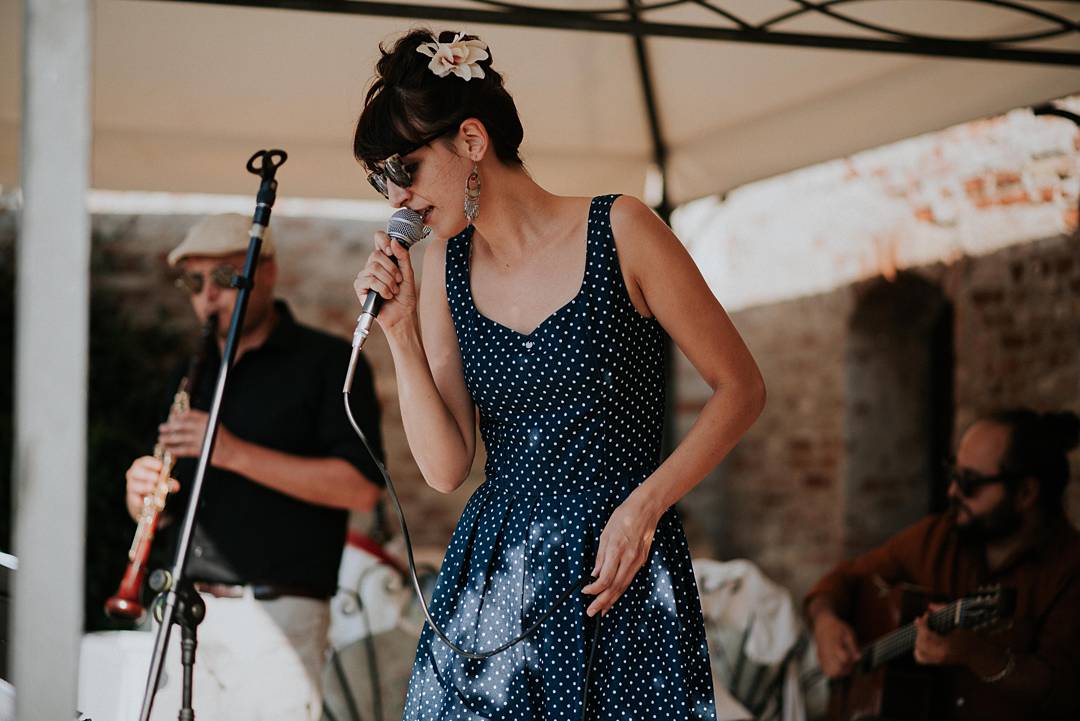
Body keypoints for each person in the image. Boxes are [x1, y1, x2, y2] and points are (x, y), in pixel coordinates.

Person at [351, 29, 766, 721]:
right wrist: (398, 332)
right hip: (496, 574)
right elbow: (445, 467)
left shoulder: (622, 228)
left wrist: (645, 504)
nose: (397, 195)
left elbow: (742, 388)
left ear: (472, 140)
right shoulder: (444, 267)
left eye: (406, 166)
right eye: (380, 177)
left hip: (618, 566)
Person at [123, 213, 385, 721]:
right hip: (183, 608)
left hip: (278, 617)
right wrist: (142, 495)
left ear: (266, 272)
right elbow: (178, 494)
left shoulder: (328, 363)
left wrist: (232, 451)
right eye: (194, 283)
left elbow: (361, 490)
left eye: (224, 278)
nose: (208, 297)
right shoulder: (192, 371)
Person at [805, 409, 1080, 721]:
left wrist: (979, 655)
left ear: (1025, 493)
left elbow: (1063, 689)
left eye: (970, 483)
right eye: (953, 474)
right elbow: (845, 578)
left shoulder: (1070, 569)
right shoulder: (940, 536)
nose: (952, 492)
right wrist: (825, 621)